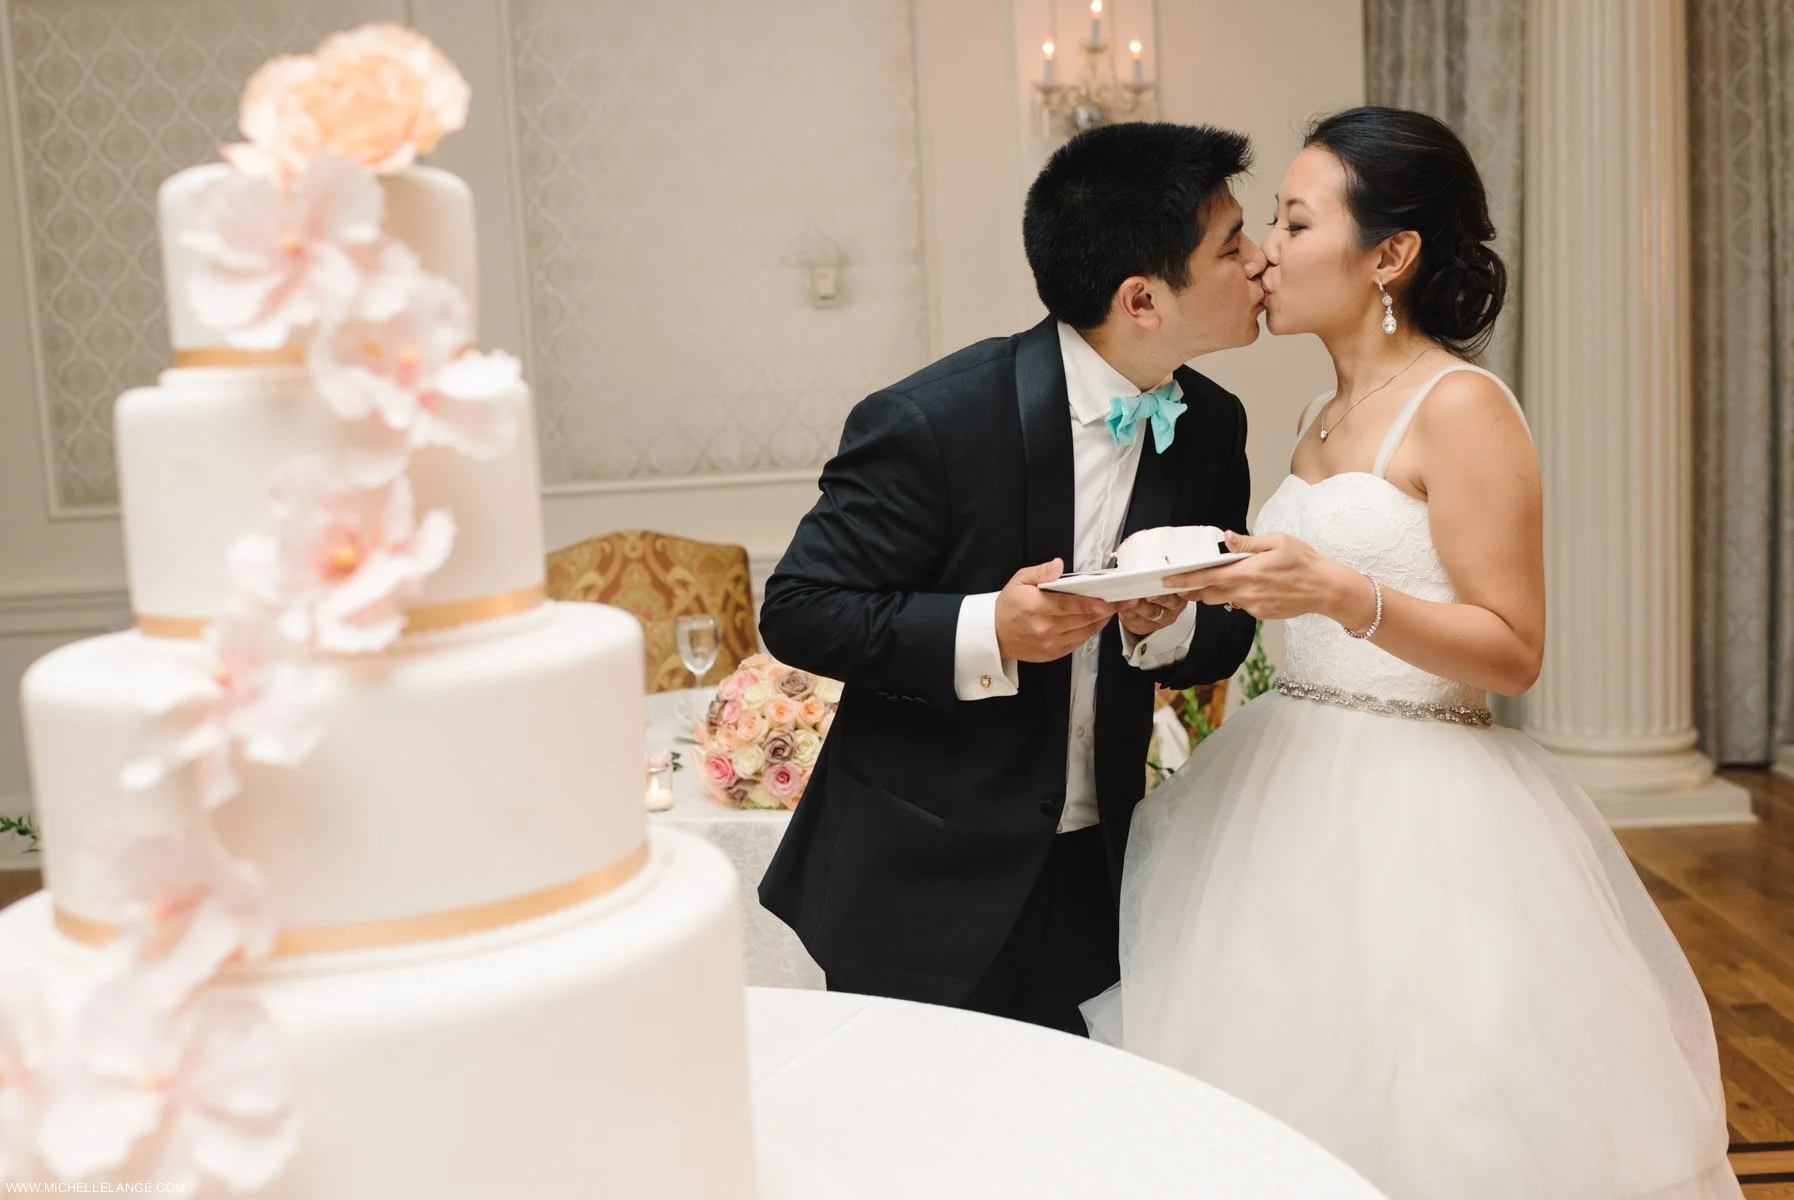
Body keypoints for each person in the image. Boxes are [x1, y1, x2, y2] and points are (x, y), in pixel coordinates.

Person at [1084, 106, 1743, 1199]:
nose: (1264, 254)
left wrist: (1342, 591)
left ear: (1388, 255)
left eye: (1295, 224)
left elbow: (1515, 649)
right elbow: (1290, 605)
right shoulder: (1318, 412)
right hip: (1280, 787)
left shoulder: (1463, 408)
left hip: (1423, 806)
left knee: (1438, 1115)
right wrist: (1180, 611)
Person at [757, 122, 1264, 1034]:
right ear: (1142, 298)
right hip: (917, 876)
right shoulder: (934, 421)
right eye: (1233, 245)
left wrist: (1162, 627)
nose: (1261, 262)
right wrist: (991, 629)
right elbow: (799, 611)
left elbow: (1223, 636)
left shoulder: (1213, 425)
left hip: (1095, 875)